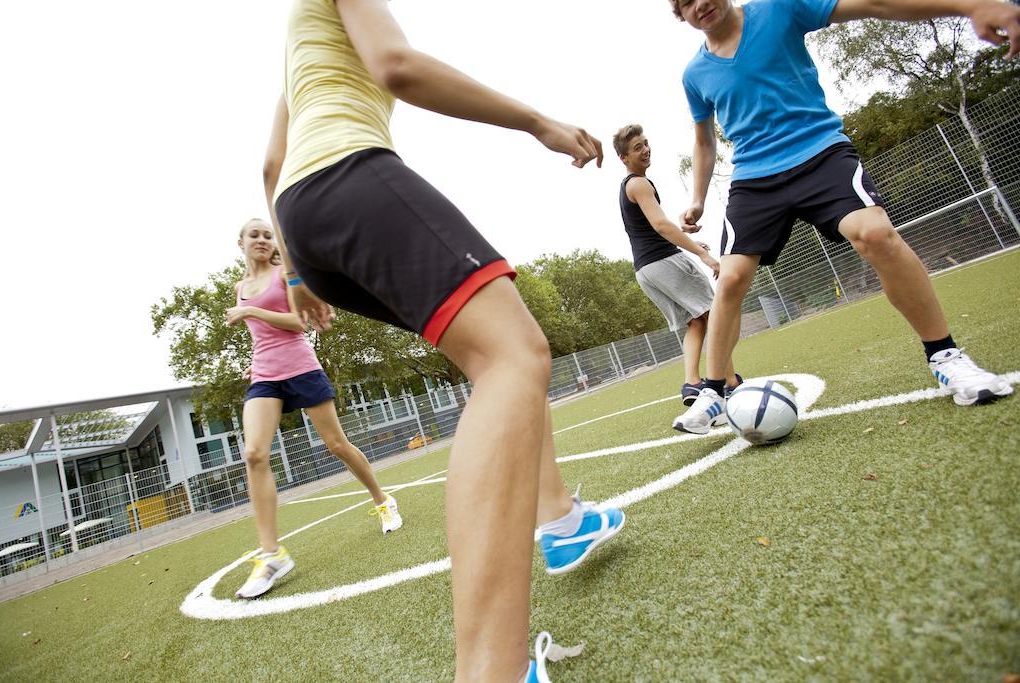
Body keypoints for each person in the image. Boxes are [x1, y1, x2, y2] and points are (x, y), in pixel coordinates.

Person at [261, 1, 625, 680]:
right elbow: (396, 66)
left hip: (305, 215)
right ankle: (493, 671)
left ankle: (561, 518)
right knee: (515, 353)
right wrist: (537, 121)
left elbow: (271, 163)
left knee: (498, 353)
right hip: (347, 174)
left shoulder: (297, 42)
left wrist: (292, 271)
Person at [670, 0, 1017, 434]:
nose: (698, 4)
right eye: (683, 1)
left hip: (819, 153)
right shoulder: (694, 75)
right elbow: (704, 142)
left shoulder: (779, 10)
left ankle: (945, 357)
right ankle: (715, 393)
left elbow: (875, 4)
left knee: (874, 234)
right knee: (732, 279)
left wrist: (972, 5)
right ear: (679, 14)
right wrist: (698, 198)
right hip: (755, 179)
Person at [226, 218, 402, 600]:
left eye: (267, 234)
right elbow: (263, 338)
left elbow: (298, 322)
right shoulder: (241, 288)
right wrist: (252, 360)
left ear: (274, 243)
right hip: (264, 377)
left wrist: (252, 313)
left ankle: (383, 501)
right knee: (254, 453)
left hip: (301, 368)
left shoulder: (283, 276)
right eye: (253, 234)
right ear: (239, 243)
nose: (261, 239)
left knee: (336, 445)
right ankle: (272, 555)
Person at [613, 123, 741, 424]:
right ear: (623, 158)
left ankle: (692, 382)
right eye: (637, 148)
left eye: (646, 143)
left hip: (646, 270)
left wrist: (685, 234)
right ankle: (730, 384)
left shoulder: (631, 187)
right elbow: (661, 226)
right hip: (664, 262)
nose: (645, 150)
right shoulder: (639, 184)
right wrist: (704, 255)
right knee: (714, 315)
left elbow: (651, 227)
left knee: (696, 322)